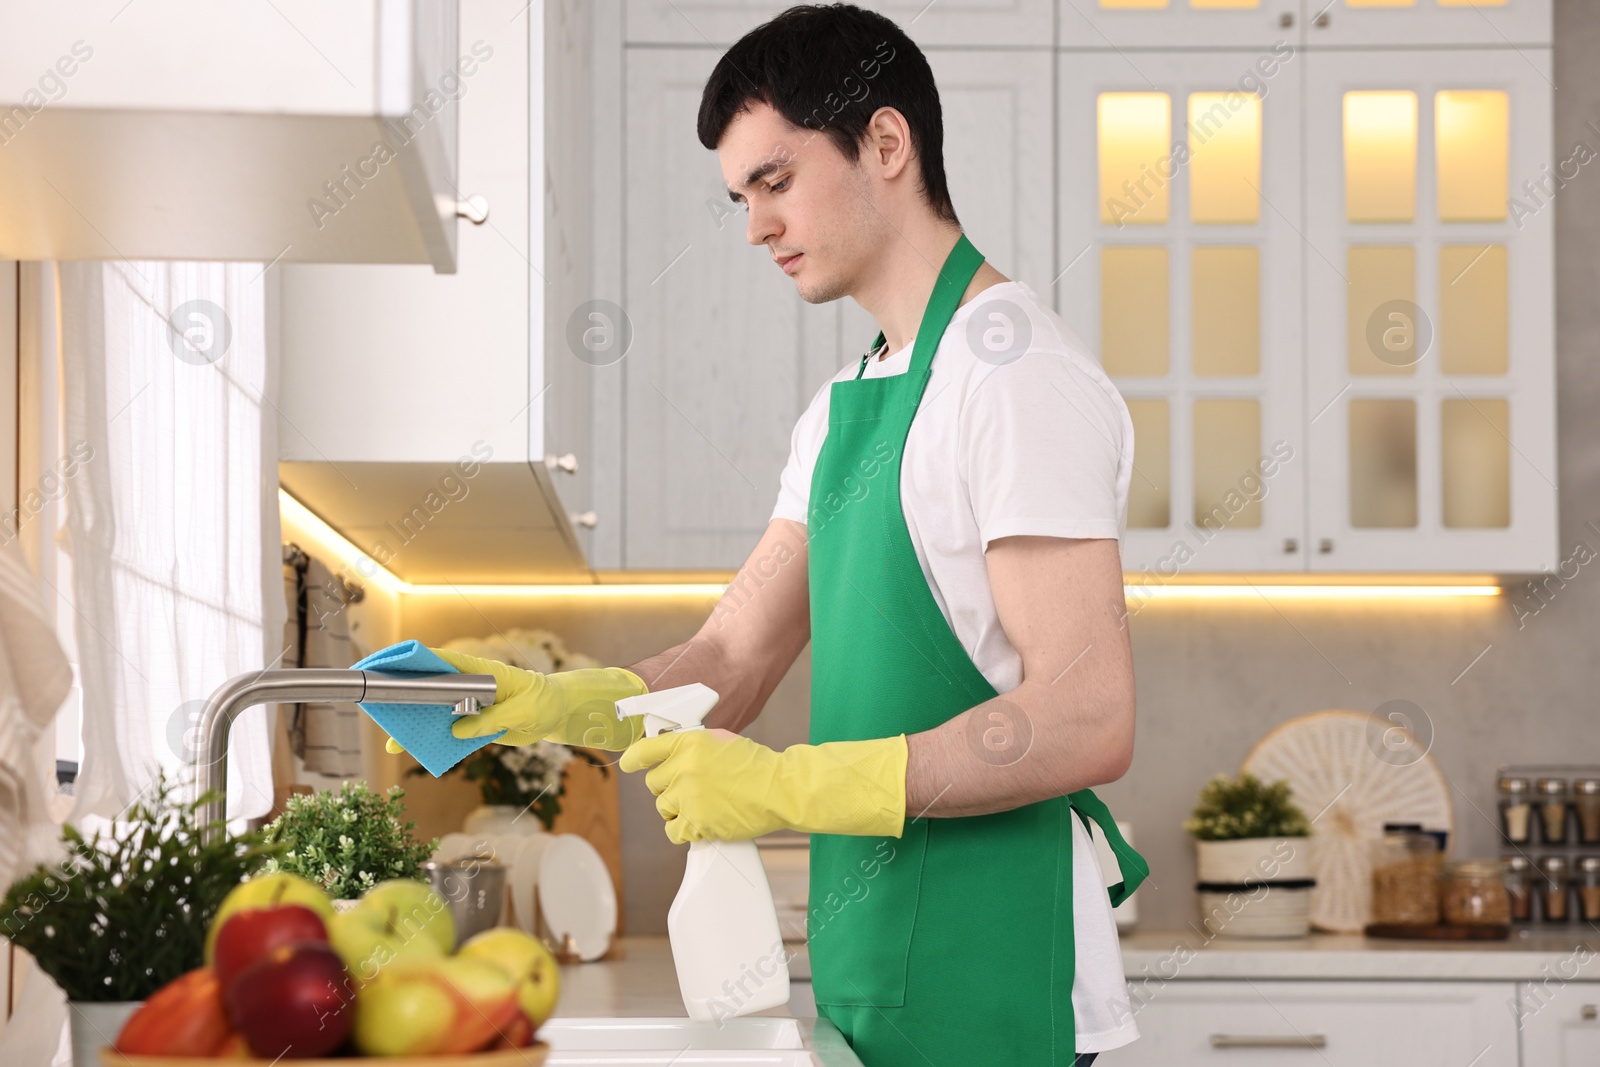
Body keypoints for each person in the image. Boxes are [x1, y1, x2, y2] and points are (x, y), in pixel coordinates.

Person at [390, 5, 1149, 1063]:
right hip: (873, 968)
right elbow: (730, 659)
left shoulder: (1014, 374)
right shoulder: (844, 404)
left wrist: (790, 785)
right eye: (741, 195)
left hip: (996, 972)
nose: (754, 226)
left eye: (776, 181)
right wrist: (557, 703)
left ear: (886, 144)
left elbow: (1084, 716)